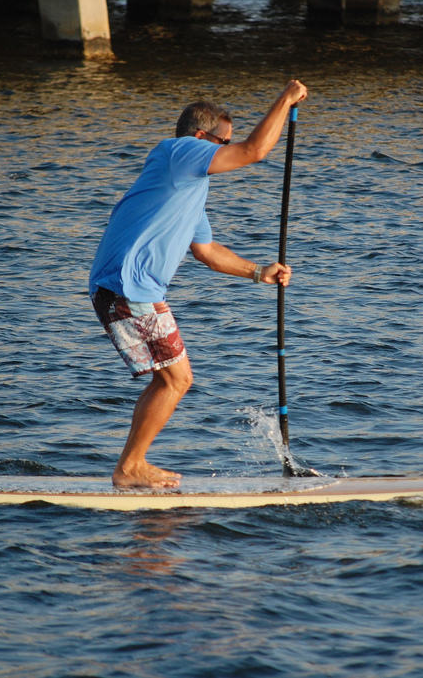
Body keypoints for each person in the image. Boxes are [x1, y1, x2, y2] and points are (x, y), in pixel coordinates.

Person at [89, 80, 308, 489]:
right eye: (222, 141)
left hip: (128, 289)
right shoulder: (179, 152)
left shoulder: (189, 188)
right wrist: (284, 99)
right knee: (177, 379)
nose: (225, 148)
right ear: (200, 137)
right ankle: (130, 467)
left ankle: (131, 465)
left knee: (171, 379)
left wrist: (259, 271)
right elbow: (255, 151)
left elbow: (207, 252)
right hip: (127, 287)